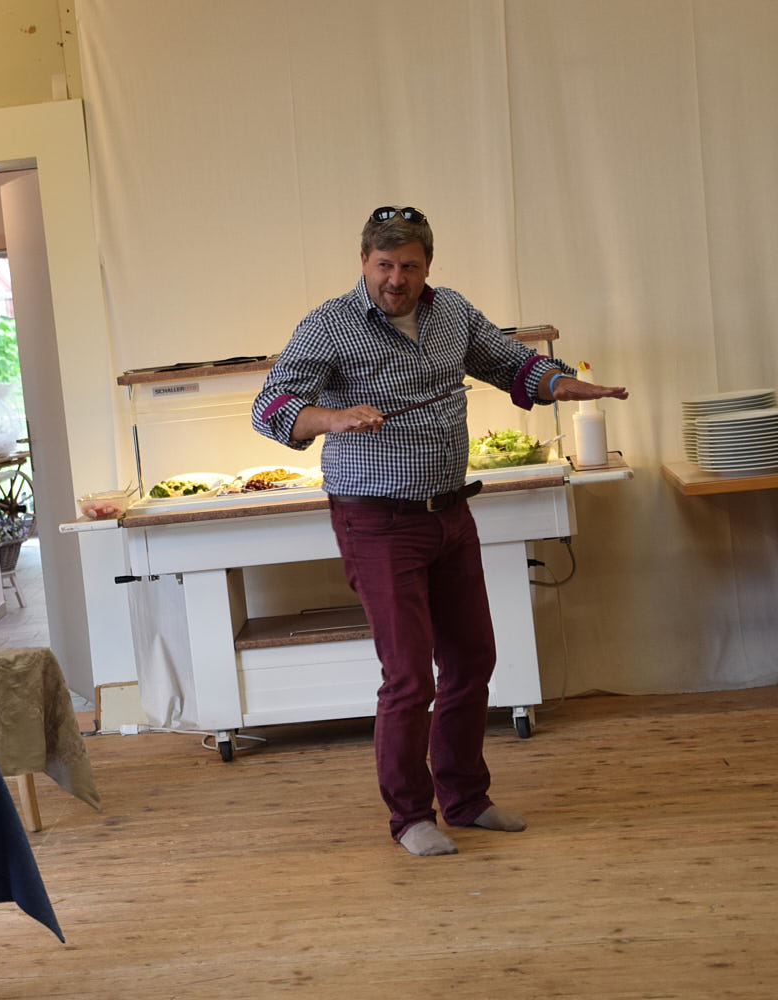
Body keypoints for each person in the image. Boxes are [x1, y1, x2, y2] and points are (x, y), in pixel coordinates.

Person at [251, 206, 627, 856]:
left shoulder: (451, 311)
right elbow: (271, 407)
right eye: (384, 265)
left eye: (409, 266)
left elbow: (512, 364)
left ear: (428, 265)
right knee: (408, 678)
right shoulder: (329, 324)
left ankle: (466, 799)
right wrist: (332, 418)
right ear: (364, 261)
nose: (396, 279)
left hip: (451, 514)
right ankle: (409, 817)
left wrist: (564, 385)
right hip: (376, 522)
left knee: (472, 659)